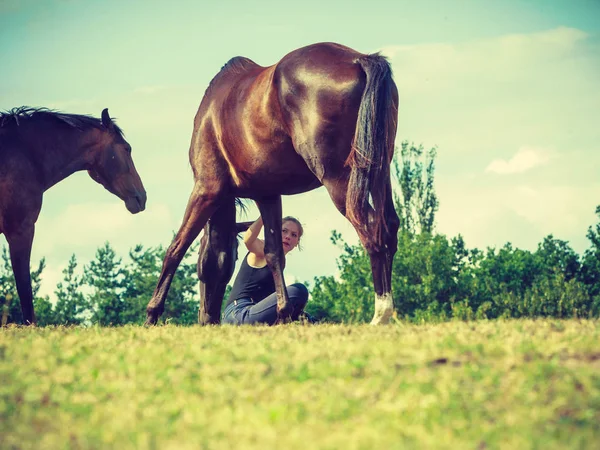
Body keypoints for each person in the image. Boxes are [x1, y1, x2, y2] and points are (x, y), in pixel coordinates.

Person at [222, 215, 309, 325]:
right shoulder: (266, 248)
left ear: (297, 242)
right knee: (298, 291)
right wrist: (265, 215)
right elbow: (248, 240)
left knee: (305, 317)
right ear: (275, 232)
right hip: (238, 313)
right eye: (284, 231)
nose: (288, 237)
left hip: (255, 312)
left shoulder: (281, 262)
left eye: (294, 235)